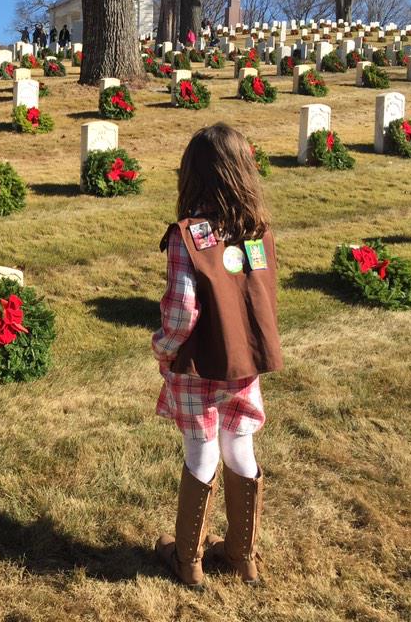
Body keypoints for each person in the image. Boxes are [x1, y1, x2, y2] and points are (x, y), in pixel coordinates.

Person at [150, 123, 283, 589]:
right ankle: (242, 555)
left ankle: (188, 560)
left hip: (196, 368)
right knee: (239, 446)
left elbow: (183, 310)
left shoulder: (188, 237)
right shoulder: (257, 231)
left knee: (201, 451)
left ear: (192, 175)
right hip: (243, 362)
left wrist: (163, 349)